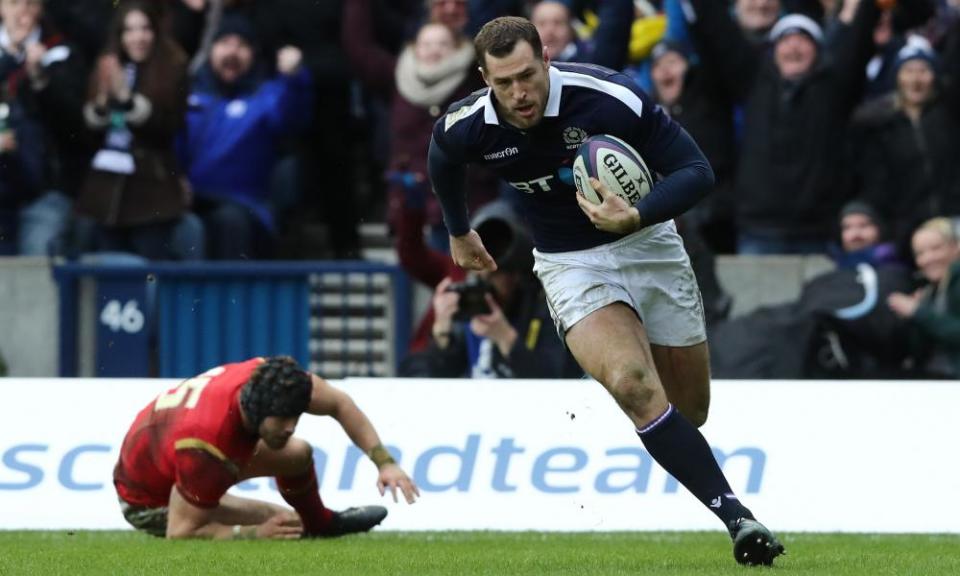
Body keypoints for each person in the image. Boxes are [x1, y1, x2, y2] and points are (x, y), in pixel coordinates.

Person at [428, 16, 784, 565]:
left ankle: (697, 463)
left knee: (690, 409)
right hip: (569, 261)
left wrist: (636, 214)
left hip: (649, 246)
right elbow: (441, 157)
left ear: (546, 59)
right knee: (633, 384)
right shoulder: (470, 124)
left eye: (527, 75)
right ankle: (739, 519)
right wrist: (458, 229)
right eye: (503, 83)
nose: (519, 94)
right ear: (483, 79)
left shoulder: (610, 96)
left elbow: (697, 170)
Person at [114, 356, 419, 539]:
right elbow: (179, 533)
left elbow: (339, 403)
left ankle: (320, 524)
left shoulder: (270, 379)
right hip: (149, 499)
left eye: (296, 415)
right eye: (283, 418)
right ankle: (312, 526)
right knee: (286, 525)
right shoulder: (206, 444)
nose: (291, 425)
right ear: (256, 409)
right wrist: (251, 534)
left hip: (175, 449)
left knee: (297, 454)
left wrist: (384, 462)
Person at [75, 0, 203, 260]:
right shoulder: (108, 65)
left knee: (148, 275)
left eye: (145, 29)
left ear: (156, 31)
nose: (138, 37)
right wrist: (101, 106)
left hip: (153, 192)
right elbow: (87, 134)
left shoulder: (174, 66)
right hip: (106, 193)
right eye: (129, 30)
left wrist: (129, 101)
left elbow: (170, 127)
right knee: (110, 280)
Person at [178, 14, 312, 259]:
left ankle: (229, 298)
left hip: (245, 205)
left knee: (229, 222)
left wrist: (294, 79)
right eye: (225, 43)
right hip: (189, 200)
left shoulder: (268, 96)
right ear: (211, 51)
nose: (232, 52)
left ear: (253, 54)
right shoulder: (189, 96)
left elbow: (292, 117)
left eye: (241, 45)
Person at [400, 200, 582, 379]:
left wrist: (506, 339)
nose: (486, 284)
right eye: (479, 273)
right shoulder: (470, 309)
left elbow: (556, 379)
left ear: (517, 275)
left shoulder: (546, 309)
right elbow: (418, 377)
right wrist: (441, 333)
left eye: (496, 274)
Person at [888, 217, 960, 378]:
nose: (928, 258)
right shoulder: (930, 292)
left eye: (936, 249)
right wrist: (913, 317)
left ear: (956, 248)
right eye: (920, 253)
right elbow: (919, 352)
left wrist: (918, 312)